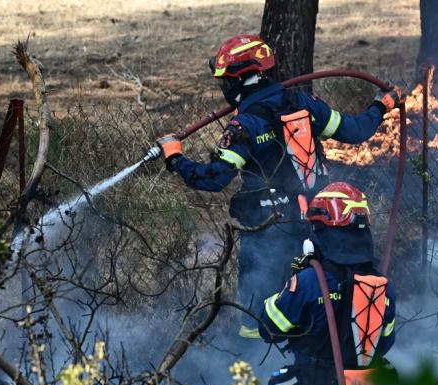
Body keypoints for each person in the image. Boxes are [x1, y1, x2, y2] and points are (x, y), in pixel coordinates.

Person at [156, 35, 401, 338]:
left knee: (256, 319)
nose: (224, 87)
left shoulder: (245, 125)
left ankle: (254, 360)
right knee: (316, 299)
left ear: (239, 81)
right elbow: (356, 130)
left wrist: (175, 157)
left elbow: (213, 178)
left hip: (266, 233)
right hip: (317, 225)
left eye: (225, 80)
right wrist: (381, 105)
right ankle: (323, 353)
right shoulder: (305, 104)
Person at [258, 182, 399, 385]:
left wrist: (292, 282)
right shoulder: (383, 288)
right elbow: (385, 343)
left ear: (321, 231)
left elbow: (268, 328)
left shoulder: (308, 283)